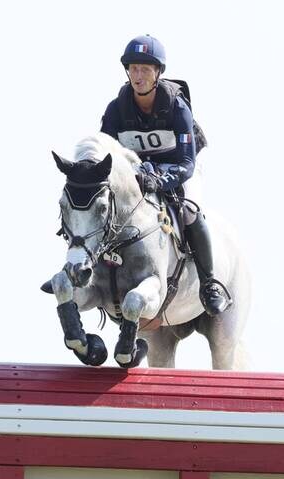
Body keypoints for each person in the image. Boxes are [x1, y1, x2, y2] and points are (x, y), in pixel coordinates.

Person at [100, 34, 231, 317]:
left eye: (145, 69)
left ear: (158, 72)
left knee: (189, 212)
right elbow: (106, 160)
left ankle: (209, 284)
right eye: (134, 68)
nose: (138, 75)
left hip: (180, 168)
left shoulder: (177, 108)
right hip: (140, 174)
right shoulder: (115, 110)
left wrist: (160, 180)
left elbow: (186, 163)